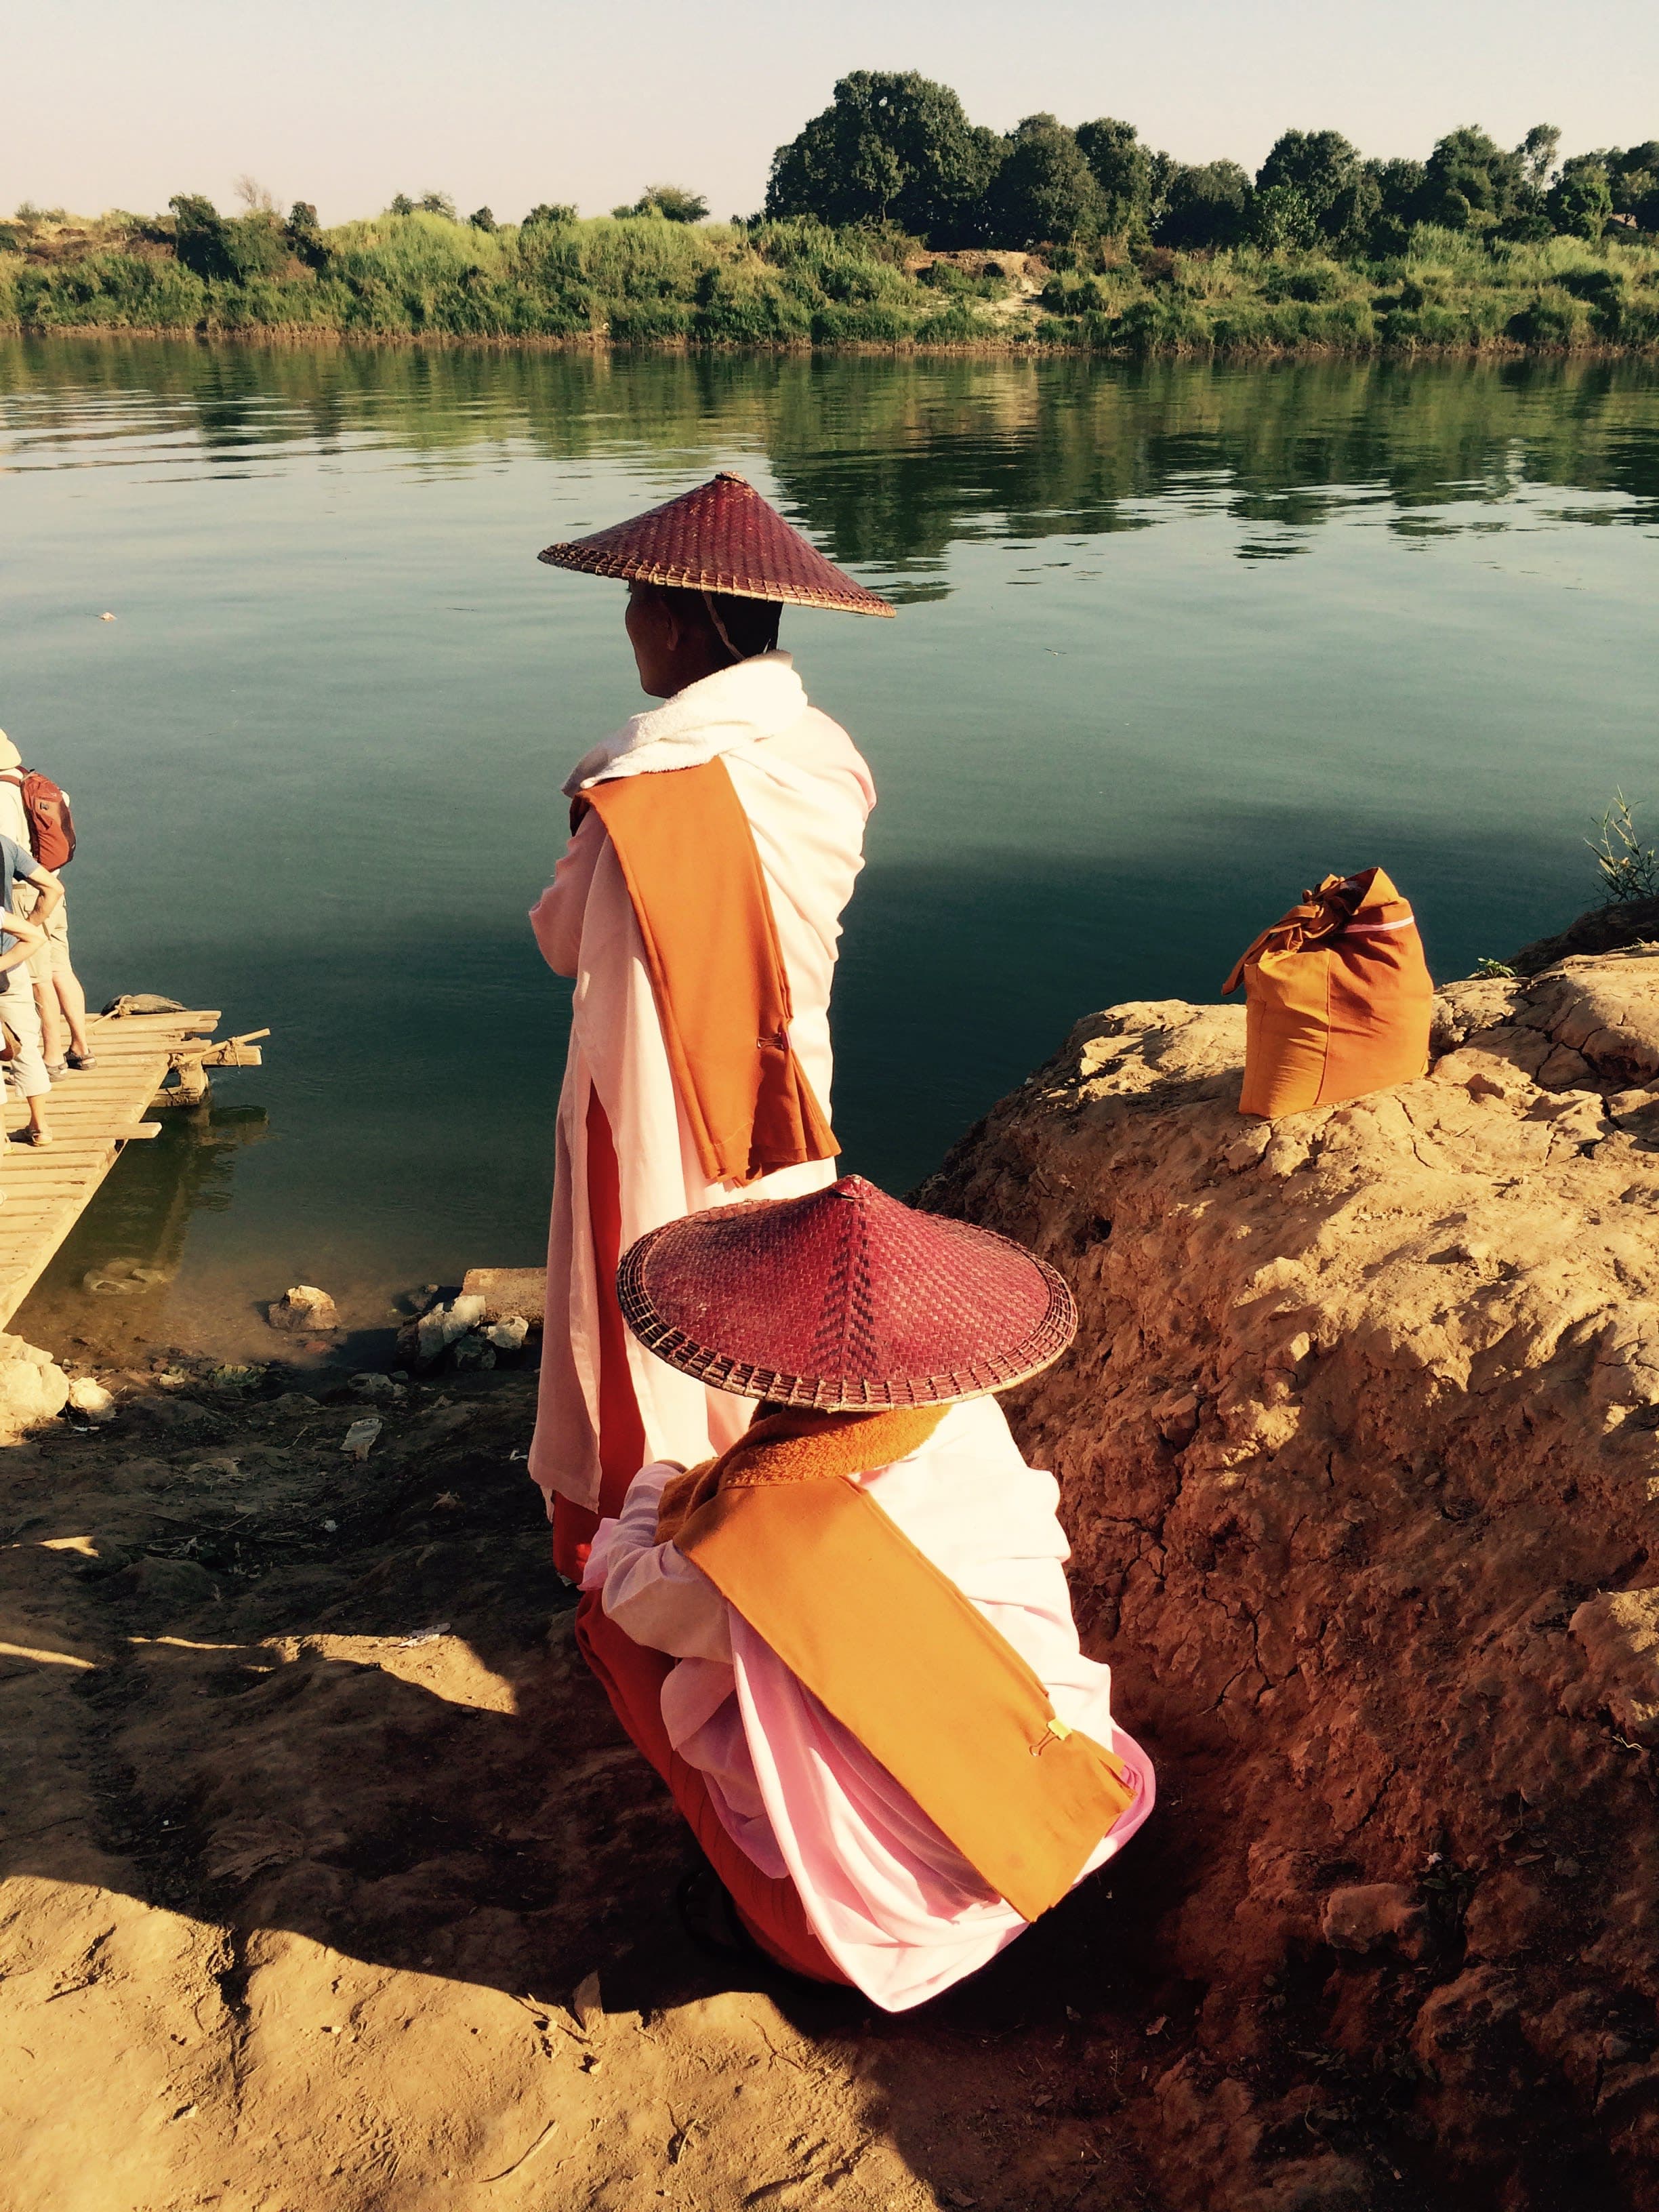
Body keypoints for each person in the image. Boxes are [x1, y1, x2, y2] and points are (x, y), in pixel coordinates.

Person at [575, 1174, 1155, 2011]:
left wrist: (658, 1487)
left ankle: (765, 1919)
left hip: (879, 1936)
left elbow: (637, 1598)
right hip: (1071, 1814)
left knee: (606, 1618)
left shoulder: (754, 1535)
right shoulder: (964, 1420)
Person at [529, 472, 893, 1579]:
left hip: (653, 1089)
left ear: (677, 618)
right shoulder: (825, 753)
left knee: (648, 1274)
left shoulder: (642, 773)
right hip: (782, 1081)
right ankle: (761, 1498)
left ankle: (645, 1522)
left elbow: (558, 938)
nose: (630, 625)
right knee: (767, 1277)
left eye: (636, 603)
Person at [0, 732, 91, 1076]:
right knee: (59, 968)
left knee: (36, 977)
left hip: (23, 893)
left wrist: (28, 918)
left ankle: (51, 1057)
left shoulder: (0, 795)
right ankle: (81, 1048)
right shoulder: (28, 781)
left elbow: (7, 853)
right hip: (52, 885)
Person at [0, 830, 64, 1145]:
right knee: (23, 1042)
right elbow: (53, 887)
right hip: (11, 959)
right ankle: (40, 1127)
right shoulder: (5, 844)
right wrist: (30, 926)